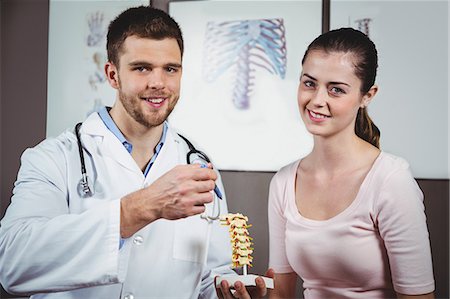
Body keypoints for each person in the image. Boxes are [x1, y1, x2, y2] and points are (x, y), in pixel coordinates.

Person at [0, 6, 239, 298]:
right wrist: (138, 208)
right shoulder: (52, 158)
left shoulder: (199, 165)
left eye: (170, 69)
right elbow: (12, 263)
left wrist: (230, 290)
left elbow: (208, 277)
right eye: (142, 68)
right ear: (113, 75)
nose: (158, 83)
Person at [267, 28, 435, 298]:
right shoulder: (284, 182)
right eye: (309, 83)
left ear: (367, 96)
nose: (317, 100)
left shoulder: (390, 180)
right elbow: (281, 293)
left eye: (336, 90)